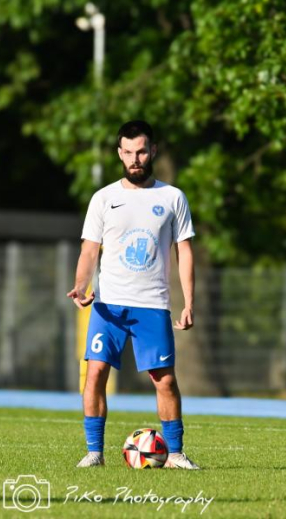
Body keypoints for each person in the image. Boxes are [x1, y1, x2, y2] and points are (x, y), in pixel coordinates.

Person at [67, 120, 199, 469]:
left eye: (141, 151)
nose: (135, 159)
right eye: (128, 152)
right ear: (119, 154)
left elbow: (183, 251)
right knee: (95, 374)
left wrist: (188, 302)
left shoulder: (172, 198)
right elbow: (89, 250)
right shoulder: (104, 198)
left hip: (152, 306)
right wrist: (81, 285)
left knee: (165, 381)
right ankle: (94, 453)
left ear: (152, 150)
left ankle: (175, 454)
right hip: (108, 306)